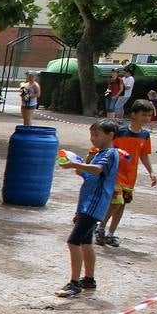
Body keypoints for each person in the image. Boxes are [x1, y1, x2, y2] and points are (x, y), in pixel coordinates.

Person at [55, 120, 119, 297]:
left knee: (73, 241)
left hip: (93, 205)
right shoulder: (100, 153)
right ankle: (89, 279)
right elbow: (90, 174)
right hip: (88, 205)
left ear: (110, 135)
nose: (93, 138)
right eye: (91, 134)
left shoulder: (110, 154)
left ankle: (74, 283)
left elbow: (98, 170)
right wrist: (78, 166)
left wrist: (76, 165)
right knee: (85, 243)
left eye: (97, 134)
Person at [97, 99, 157, 248]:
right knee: (116, 202)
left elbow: (144, 155)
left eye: (149, 115)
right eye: (143, 114)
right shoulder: (120, 131)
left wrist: (151, 171)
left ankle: (111, 233)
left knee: (122, 204)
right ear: (133, 115)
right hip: (115, 174)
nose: (147, 118)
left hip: (130, 177)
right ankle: (100, 229)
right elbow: (106, 147)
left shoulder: (145, 135)